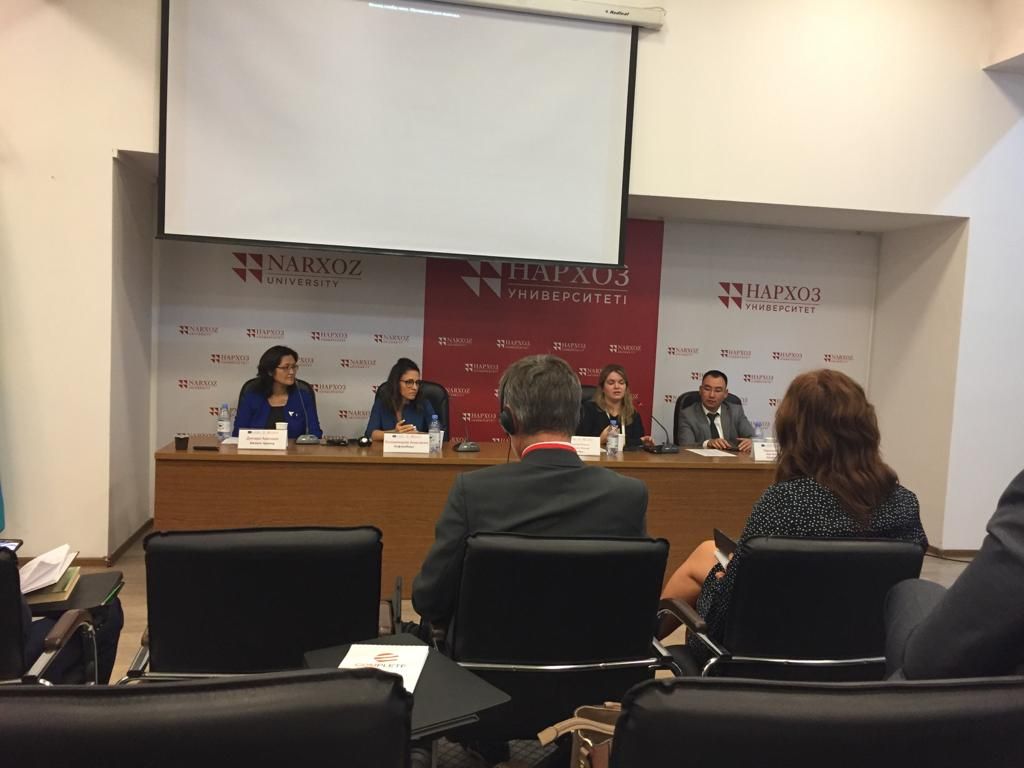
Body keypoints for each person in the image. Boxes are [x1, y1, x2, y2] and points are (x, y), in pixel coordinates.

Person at [660, 369, 927, 657]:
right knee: (708, 551)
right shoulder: (904, 504)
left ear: (793, 431)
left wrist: (718, 582)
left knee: (707, 566)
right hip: (866, 655)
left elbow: (726, 612)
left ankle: (637, 646)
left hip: (771, 655)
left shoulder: (784, 502)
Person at [412, 354, 649, 630]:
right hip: (595, 654)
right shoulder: (629, 495)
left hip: (490, 655)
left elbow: (429, 599)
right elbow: (635, 598)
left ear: (509, 420)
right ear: (577, 416)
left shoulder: (473, 492)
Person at [885, 468, 1024, 679]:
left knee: (909, 590)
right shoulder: (904, 500)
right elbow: (919, 543)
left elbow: (928, 660)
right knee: (914, 589)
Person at [232, 345, 322, 440]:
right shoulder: (252, 397)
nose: (292, 372)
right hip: (256, 448)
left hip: (295, 449)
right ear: (270, 371)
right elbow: (238, 434)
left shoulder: (303, 397)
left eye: (293, 367)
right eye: (286, 367)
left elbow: (315, 434)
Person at [577, 364, 653, 450]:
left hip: (627, 458)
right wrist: (600, 440)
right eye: (611, 383)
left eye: (621, 383)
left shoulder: (632, 414)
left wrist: (642, 442)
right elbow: (579, 445)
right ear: (602, 388)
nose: (617, 386)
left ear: (626, 387)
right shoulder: (588, 410)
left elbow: (636, 446)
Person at [676, 370, 754, 453]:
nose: (712, 395)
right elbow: (685, 446)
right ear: (700, 390)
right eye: (707, 389)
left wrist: (751, 442)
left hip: (732, 460)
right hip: (701, 460)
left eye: (717, 390)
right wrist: (707, 443)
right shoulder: (688, 415)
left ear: (725, 393)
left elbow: (753, 437)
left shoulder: (735, 411)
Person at [365, 358, 437, 441]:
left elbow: (437, 434)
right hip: (388, 449)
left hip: (416, 449)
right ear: (396, 382)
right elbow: (370, 434)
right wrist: (394, 433)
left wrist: (417, 435)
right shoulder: (382, 403)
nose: (415, 387)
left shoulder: (424, 403)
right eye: (409, 382)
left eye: (417, 382)